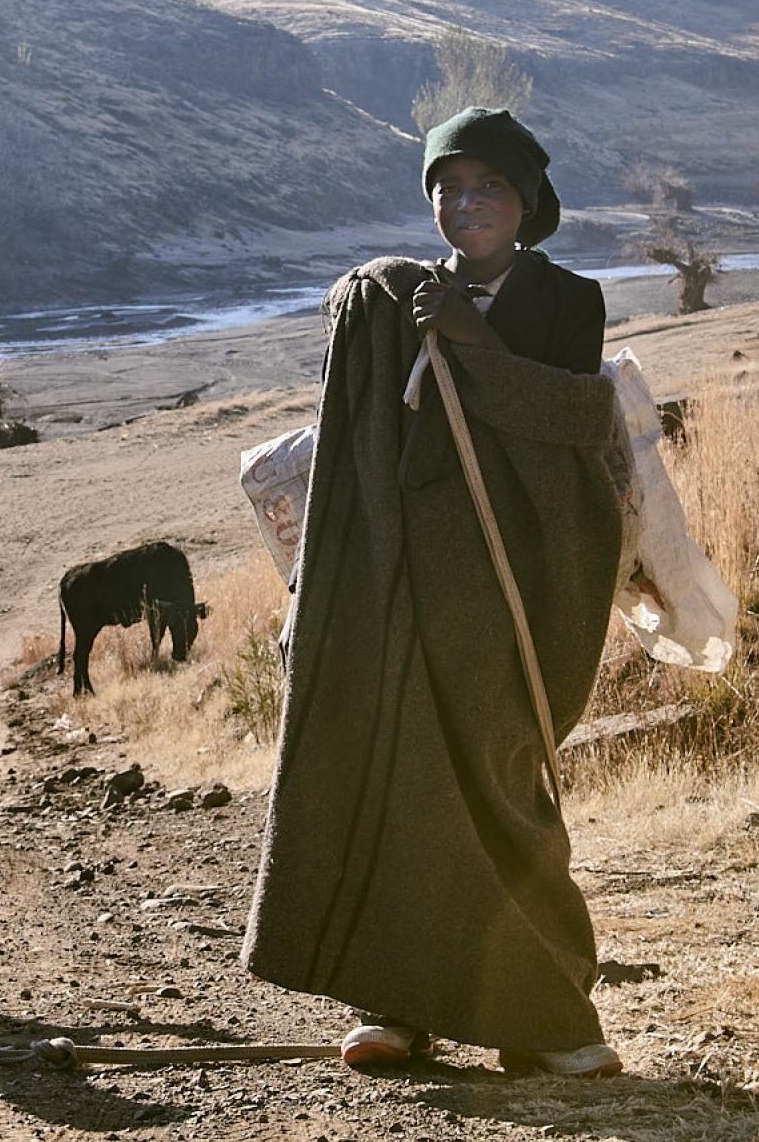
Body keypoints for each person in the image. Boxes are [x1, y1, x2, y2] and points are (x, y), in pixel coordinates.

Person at [241, 104, 630, 1077]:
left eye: (487, 188)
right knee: (398, 778)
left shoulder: (567, 298)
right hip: (408, 581)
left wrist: (476, 349)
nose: (466, 207)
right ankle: (396, 1004)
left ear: (526, 201)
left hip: (507, 586)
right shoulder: (398, 301)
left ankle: (544, 1019)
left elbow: (575, 428)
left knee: (501, 787)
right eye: (447, 191)